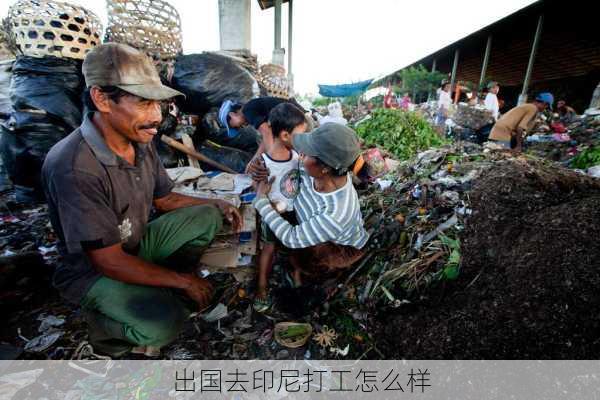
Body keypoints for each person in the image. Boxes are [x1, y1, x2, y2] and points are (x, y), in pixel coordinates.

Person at [41, 43, 242, 357]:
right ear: (101, 99)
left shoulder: (140, 140)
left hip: (133, 247)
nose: (157, 116)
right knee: (165, 326)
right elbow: (107, 261)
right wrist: (184, 281)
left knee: (206, 216)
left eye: (158, 103)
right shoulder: (74, 166)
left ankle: (157, 286)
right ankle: (102, 329)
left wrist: (216, 203)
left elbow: (164, 200)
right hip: (94, 271)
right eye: (145, 102)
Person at [253, 123, 369, 288]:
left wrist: (261, 200)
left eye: (306, 153)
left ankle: (309, 276)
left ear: (324, 169)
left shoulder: (335, 214)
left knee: (310, 258)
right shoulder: (322, 171)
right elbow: (292, 162)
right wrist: (262, 164)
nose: (300, 155)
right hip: (314, 223)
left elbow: (291, 238)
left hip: (338, 248)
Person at [253, 103, 307, 312]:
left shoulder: (296, 156)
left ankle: (296, 275)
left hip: (294, 211)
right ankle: (262, 287)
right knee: (269, 248)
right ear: (285, 135)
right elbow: (257, 187)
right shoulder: (264, 163)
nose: (303, 140)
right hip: (272, 214)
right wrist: (262, 192)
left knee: (296, 245)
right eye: (300, 135)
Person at [489, 92, 554, 152]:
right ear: (545, 104)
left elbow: (517, 126)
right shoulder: (533, 108)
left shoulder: (528, 106)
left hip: (499, 130)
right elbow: (520, 128)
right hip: (503, 133)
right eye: (546, 107)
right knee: (502, 155)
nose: (544, 109)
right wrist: (519, 146)